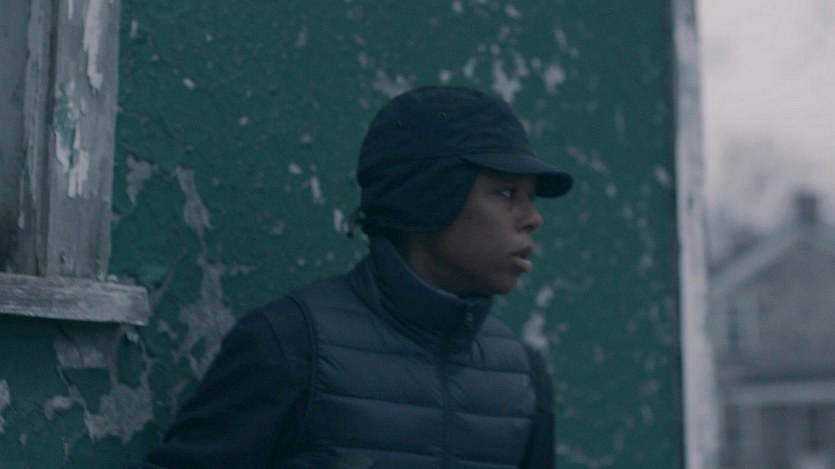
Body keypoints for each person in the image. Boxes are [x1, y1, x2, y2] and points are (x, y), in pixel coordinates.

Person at [139, 86, 573, 468]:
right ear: (427, 196)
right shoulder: (289, 345)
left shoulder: (523, 377)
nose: (532, 218)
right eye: (506, 193)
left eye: (531, 198)